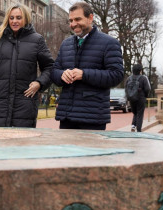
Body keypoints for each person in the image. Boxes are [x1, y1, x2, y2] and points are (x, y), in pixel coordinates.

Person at [0, 3, 54, 127]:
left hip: (25, 106)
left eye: (19, 18)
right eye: (11, 18)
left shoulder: (37, 40)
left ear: (26, 19)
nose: (14, 21)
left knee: (22, 144)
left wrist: (39, 83)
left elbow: (50, 67)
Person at [51, 2, 124, 130]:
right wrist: (62, 75)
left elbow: (116, 75)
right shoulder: (65, 44)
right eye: (71, 20)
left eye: (78, 19)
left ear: (90, 18)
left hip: (93, 118)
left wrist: (84, 75)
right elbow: (54, 72)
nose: (73, 24)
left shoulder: (110, 43)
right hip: (66, 117)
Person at [125, 64, 151, 132]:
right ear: (140, 71)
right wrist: (145, 95)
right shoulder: (143, 78)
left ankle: (133, 125)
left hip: (131, 98)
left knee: (135, 113)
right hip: (140, 98)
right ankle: (139, 130)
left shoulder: (129, 78)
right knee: (140, 114)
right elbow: (147, 89)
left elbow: (126, 88)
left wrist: (128, 96)